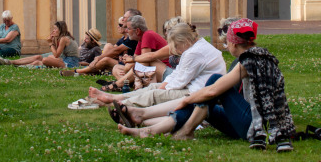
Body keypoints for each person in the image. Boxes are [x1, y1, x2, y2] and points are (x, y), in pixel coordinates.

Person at [119, 18, 295, 152]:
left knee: (211, 84)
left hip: (252, 125)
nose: (226, 46)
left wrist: (188, 100)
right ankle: (147, 126)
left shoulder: (249, 61)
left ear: (233, 42)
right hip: (251, 120)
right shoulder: (261, 57)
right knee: (203, 102)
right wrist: (193, 99)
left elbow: (214, 90)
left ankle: (177, 129)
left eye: (227, 42)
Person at [90, 23, 225, 108]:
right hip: (195, 87)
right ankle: (115, 97)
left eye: (177, 46)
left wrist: (163, 87)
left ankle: (119, 103)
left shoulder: (193, 52)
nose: (176, 50)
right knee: (155, 87)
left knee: (155, 92)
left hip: (197, 92)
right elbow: (179, 74)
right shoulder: (194, 47)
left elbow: (180, 79)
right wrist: (163, 85)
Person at [61, 10, 139, 77]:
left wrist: (98, 58)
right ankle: (86, 71)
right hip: (126, 62)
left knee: (105, 59)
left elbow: (116, 51)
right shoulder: (128, 37)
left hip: (130, 65)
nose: (122, 19)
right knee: (108, 48)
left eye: (124, 18)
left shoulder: (133, 36)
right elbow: (115, 50)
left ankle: (77, 72)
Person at [0, 20, 79, 68]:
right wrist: (53, 40)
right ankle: (11, 62)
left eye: (55, 29)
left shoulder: (64, 39)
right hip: (65, 59)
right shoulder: (64, 37)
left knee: (44, 60)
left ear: (60, 30)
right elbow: (57, 53)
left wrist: (50, 43)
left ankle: (14, 64)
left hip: (70, 64)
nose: (53, 31)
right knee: (38, 58)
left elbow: (56, 55)